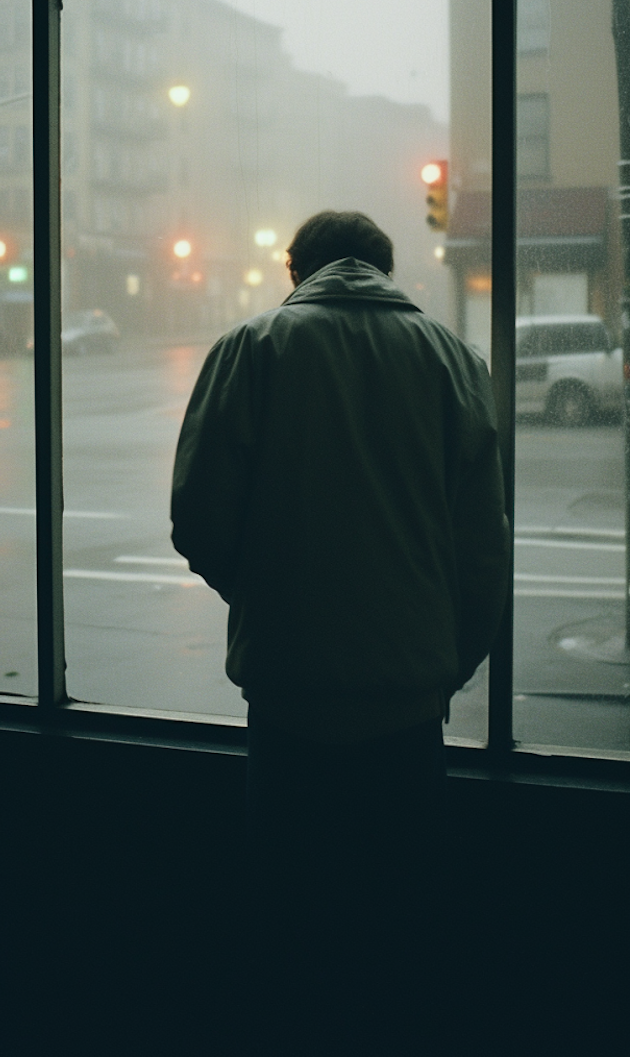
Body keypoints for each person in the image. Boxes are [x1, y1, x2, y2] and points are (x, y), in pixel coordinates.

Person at [171, 210, 510, 1055]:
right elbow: (483, 556)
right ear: (386, 270)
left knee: (290, 927)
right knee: (399, 930)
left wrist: (267, 596)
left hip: (287, 700)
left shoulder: (251, 350)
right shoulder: (454, 363)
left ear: (297, 271)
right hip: (406, 711)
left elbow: (199, 517)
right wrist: (443, 666)